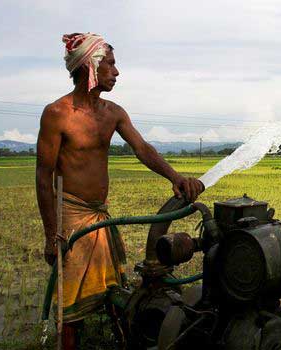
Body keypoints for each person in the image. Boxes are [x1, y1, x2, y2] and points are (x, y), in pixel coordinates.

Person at [35, 33, 204, 349]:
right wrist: (50, 233)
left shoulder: (113, 112)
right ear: (90, 66)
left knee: (113, 288)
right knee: (70, 306)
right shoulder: (57, 113)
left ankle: (123, 340)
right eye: (110, 64)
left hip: (100, 215)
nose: (117, 71)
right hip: (70, 214)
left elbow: (142, 148)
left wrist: (175, 177)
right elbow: (44, 177)